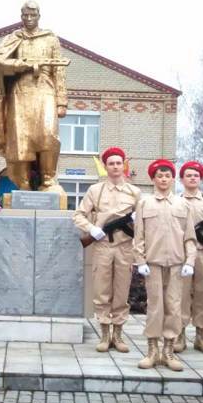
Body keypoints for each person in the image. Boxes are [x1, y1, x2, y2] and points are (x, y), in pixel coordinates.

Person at [0, 1, 68, 190]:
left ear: (39, 16)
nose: (29, 19)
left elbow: (60, 71)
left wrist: (61, 101)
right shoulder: (15, 38)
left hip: (45, 88)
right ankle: (23, 184)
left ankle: (48, 179)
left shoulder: (50, 38)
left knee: (48, 134)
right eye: (25, 15)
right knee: (20, 136)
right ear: (21, 16)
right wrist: (19, 65)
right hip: (20, 91)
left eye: (33, 15)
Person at [73, 147, 141, 353]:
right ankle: (104, 334)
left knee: (121, 292)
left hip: (125, 247)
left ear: (124, 165)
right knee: (102, 291)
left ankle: (118, 335)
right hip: (102, 246)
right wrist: (92, 229)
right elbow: (78, 215)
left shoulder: (134, 192)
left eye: (118, 163)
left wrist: (137, 222)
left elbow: (144, 223)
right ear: (105, 166)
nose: (115, 167)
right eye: (111, 163)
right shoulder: (96, 190)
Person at [133, 159, 196, 371]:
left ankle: (168, 351)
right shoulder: (144, 203)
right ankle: (152, 351)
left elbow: (190, 237)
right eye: (159, 176)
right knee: (154, 307)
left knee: (174, 306)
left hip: (177, 265)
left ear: (172, 179)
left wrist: (190, 261)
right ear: (153, 179)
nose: (163, 179)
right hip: (153, 264)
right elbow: (139, 236)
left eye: (167, 176)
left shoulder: (183, 204)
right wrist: (140, 260)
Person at [176, 160, 203, 355]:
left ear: (200, 179)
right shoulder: (176, 200)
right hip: (183, 254)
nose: (192, 178)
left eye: (196, 175)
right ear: (182, 179)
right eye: (188, 175)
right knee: (182, 295)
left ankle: (200, 336)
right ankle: (180, 335)